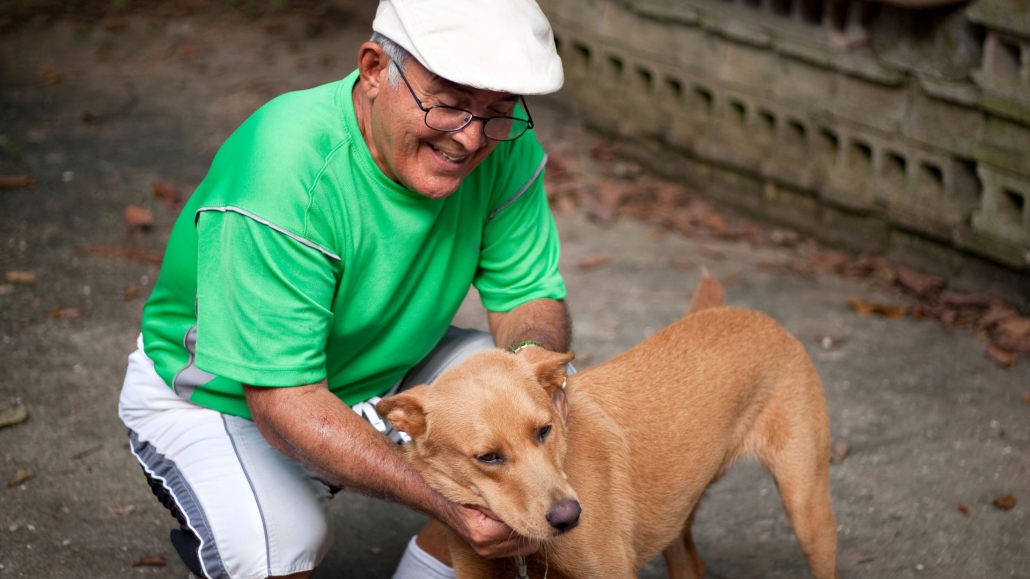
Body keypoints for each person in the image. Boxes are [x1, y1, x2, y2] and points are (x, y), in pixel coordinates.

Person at [116, 1, 571, 577]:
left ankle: (430, 566)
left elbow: (529, 296)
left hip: (388, 364)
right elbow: (285, 401)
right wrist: (448, 502)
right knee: (272, 551)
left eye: (497, 112)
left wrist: (531, 381)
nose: (470, 138)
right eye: (449, 103)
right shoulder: (284, 170)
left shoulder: (500, 143)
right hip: (228, 397)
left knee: (544, 408)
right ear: (375, 69)